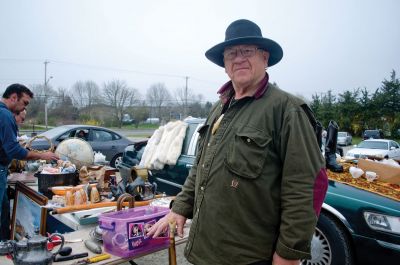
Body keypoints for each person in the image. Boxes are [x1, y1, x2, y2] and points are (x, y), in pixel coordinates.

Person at [148, 19, 328, 265]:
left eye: (247, 51)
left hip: (251, 258)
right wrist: (179, 208)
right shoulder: (218, 108)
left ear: (265, 58)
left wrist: (288, 254)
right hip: (205, 251)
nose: (239, 58)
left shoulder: (287, 110)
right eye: (232, 53)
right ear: (224, 64)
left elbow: (307, 187)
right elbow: (200, 168)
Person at [0, 83, 59, 240]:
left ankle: (5, 244)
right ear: (14, 97)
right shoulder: (5, 115)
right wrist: (43, 155)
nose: (23, 108)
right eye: (24, 103)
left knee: (4, 211)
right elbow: (13, 151)